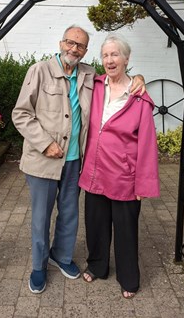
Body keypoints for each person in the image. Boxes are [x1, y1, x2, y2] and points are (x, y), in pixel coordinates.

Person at [12, 25, 145, 294]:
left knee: (70, 213)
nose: (74, 49)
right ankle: (38, 266)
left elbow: (117, 84)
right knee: (41, 217)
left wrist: (138, 77)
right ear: (61, 43)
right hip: (43, 160)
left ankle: (60, 255)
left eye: (80, 45)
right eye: (70, 43)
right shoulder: (39, 71)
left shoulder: (88, 75)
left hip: (75, 161)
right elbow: (21, 114)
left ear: (85, 51)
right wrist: (45, 143)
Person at [79, 33, 160, 299]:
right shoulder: (95, 84)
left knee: (126, 231)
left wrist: (143, 185)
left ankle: (129, 278)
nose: (110, 60)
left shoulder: (140, 98)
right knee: (95, 224)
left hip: (125, 176)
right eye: (105, 55)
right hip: (94, 171)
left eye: (115, 54)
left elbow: (147, 145)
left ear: (126, 59)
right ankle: (97, 265)